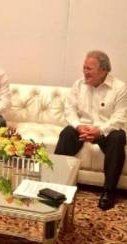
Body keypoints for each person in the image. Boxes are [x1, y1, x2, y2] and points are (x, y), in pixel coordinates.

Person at [55, 50, 127, 210]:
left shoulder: (120, 88)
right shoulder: (78, 85)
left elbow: (119, 118)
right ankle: (56, 183)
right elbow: (69, 110)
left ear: (104, 70)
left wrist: (99, 131)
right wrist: (79, 126)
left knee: (118, 137)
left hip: (106, 131)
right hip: (82, 129)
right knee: (67, 132)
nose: (85, 72)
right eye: (84, 68)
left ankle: (109, 191)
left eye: (89, 69)